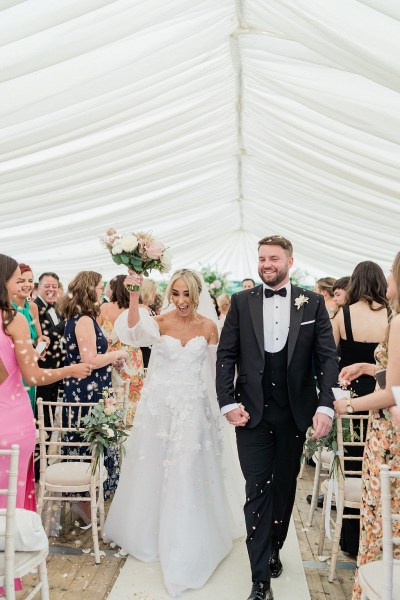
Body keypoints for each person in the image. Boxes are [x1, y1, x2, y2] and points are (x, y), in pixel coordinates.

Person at [105, 269, 244, 597]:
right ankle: (150, 532)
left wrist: (220, 411)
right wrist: (136, 295)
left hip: (193, 410)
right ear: (170, 294)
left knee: (186, 471)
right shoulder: (159, 322)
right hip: (159, 410)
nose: (181, 301)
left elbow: (215, 375)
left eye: (187, 295)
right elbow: (132, 333)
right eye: (176, 294)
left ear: (197, 295)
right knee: (155, 466)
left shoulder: (210, 328)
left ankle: (186, 540)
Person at [216, 235, 338, 600]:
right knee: (257, 488)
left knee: (284, 487)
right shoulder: (241, 302)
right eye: (261, 258)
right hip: (250, 413)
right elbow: (226, 355)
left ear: (289, 261)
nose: (266, 264)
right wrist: (226, 402)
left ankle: (274, 548)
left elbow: (328, 357)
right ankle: (259, 581)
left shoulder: (313, 303)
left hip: (294, 412)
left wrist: (325, 404)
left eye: (273, 258)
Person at [0, 255, 91, 594]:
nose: (20, 283)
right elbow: (33, 375)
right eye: (14, 278)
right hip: (11, 422)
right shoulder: (13, 319)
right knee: (11, 497)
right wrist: (70, 370)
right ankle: (10, 568)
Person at [334, 252, 400, 600]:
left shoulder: (397, 320)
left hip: (380, 419)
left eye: (393, 274)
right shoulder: (390, 317)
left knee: (373, 496)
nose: (388, 281)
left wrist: (346, 404)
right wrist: (368, 366)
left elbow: (393, 393)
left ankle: (375, 572)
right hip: (374, 398)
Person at [57, 271, 128, 517]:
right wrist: (116, 355)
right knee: (89, 445)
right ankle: (84, 503)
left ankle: (84, 501)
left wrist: (109, 363)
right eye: (98, 287)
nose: (101, 291)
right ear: (89, 290)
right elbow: (89, 360)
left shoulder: (76, 318)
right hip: (87, 394)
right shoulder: (84, 320)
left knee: (86, 444)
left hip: (86, 389)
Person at [331, 261, 388, 555]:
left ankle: (352, 541)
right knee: (381, 468)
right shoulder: (392, 316)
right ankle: (381, 536)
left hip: (350, 396)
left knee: (354, 464)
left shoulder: (343, 314)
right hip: (383, 398)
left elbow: (329, 354)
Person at [98, 274, 144, 425]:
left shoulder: (103, 308)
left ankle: (111, 431)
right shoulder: (138, 309)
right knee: (132, 398)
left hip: (111, 359)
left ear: (114, 289)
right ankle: (130, 430)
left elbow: (96, 334)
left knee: (112, 399)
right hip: (133, 360)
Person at [11, 263, 49, 413]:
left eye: (30, 280)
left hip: (29, 368)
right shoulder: (7, 307)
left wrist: (42, 343)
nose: (27, 285)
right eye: (21, 281)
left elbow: (38, 337)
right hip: (11, 370)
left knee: (27, 411)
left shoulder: (33, 307)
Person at [35, 271, 66, 422]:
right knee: (42, 408)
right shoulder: (35, 307)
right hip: (42, 365)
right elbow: (45, 336)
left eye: (54, 286)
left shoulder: (56, 308)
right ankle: (40, 443)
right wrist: (65, 323)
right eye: (47, 286)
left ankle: (46, 442)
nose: (51, 289)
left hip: (55, 366)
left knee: (51, 408)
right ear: (39, 287)